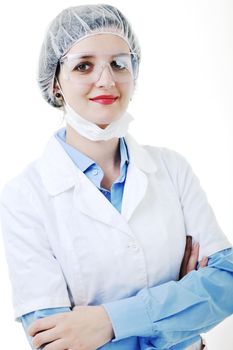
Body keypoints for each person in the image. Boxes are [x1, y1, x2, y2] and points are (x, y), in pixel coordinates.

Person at [0, 4, 232, 350]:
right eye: (84, 65)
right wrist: (180, 305)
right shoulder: (24, 196)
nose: (106, 80)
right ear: (55, 83)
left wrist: (107, 321)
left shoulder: (172, 168)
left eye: (119, 63)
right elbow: (54, 340)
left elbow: (226, 283)